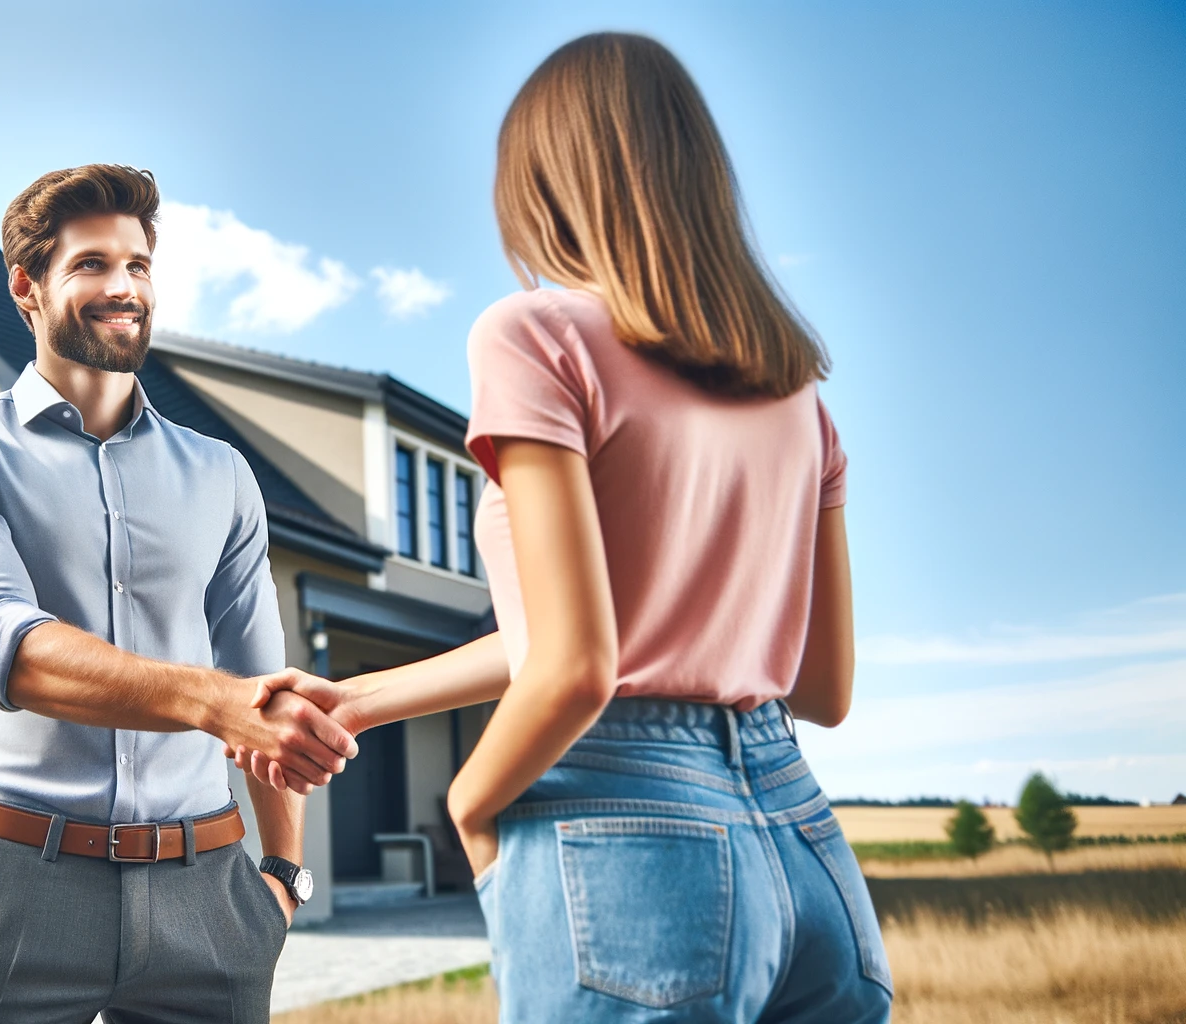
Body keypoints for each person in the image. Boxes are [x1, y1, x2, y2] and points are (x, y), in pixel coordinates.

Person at [234, 33, 893, 1023]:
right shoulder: (801, 400)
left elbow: (582, 668)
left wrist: (470, 800)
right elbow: (821, 688)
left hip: (622, 826)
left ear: (544, 185)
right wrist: (361, 697)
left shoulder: (534, 337)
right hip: (804, 848)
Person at [0, 164, 355, 1024]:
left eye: (138, 265)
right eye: (92, 265)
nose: (124, 287)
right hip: (21, 882)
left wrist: (282, 877)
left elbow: (268, 694)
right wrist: (215, 704)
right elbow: (9, 648)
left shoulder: (222, 474)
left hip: (208, 889)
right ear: (26, 287)